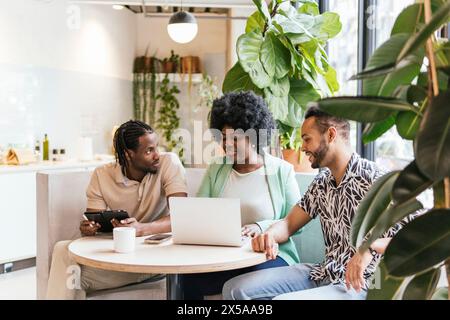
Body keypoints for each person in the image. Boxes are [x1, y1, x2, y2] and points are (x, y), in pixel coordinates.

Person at [223, 106, 415, 300]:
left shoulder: (378, 180)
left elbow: (415, 236)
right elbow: (289, 224)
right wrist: (270, 235)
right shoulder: (322, 183)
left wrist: (370, 248)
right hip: (323, 273)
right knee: (235, 289)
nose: (303, 147)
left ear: (331, 135)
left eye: (307, 139)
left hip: (362, 283)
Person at [180, 91, 304, 300]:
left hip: (269, 255)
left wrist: (261, 227)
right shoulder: (217, 168)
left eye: (235, 139)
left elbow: (297, 224)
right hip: (225, 256)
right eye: (224, 139)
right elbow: (198, 211)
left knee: (250, 282)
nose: (227, 145)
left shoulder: (282, 171)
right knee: (188, 279)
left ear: (255, 136)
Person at [46, 120, 187, 299]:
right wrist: (90, 228)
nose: (157, 155)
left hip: (154, 255)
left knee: (71, 280)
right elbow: (94, 220)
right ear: (129, 154)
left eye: (156, 148)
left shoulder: (168, 163)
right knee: (62, 250)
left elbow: (181, 217)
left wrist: (142, 229)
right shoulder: (102, 174)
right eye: (149, 151)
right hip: (118, 254)